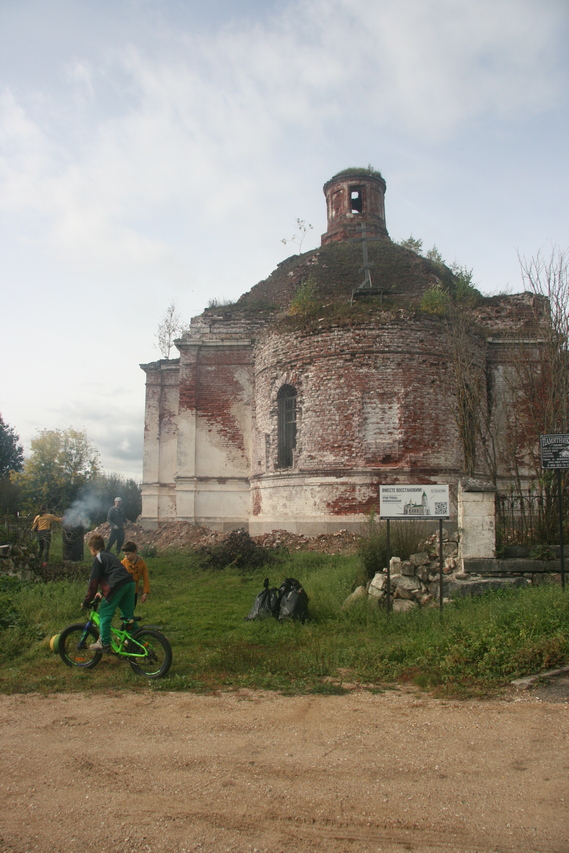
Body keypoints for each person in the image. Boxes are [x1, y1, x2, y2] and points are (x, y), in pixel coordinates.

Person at [82, 533, 136, 653]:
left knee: (104, 612)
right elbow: (113, 574)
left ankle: (104, 642)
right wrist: (102, 592)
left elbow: (93, 583)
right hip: (129, 583)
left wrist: (86, 601)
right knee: (129, 617)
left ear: (92, 548)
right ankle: (138, 640)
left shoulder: (98, 558)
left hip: (117, 586)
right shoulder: (109, 555)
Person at [121, 541, 150, 605]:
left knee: (132, 607)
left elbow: (146, 579)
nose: (126, 556)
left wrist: (145, 592)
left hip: (134, 592)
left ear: (134, 552)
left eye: (128, 554)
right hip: (125, 592)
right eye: (125, 555)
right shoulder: (123, 563)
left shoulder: (142, 564)